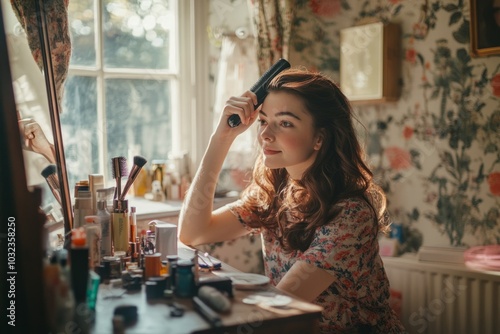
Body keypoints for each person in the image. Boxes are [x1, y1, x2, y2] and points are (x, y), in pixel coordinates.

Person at [178, 68, 406, 333]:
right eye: (263, 120)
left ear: (319, 138)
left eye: (284, 123)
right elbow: (193, 232)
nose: (265, 134)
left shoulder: (350, 213)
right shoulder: (273, 193)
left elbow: (280, 304)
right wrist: (221, 138)